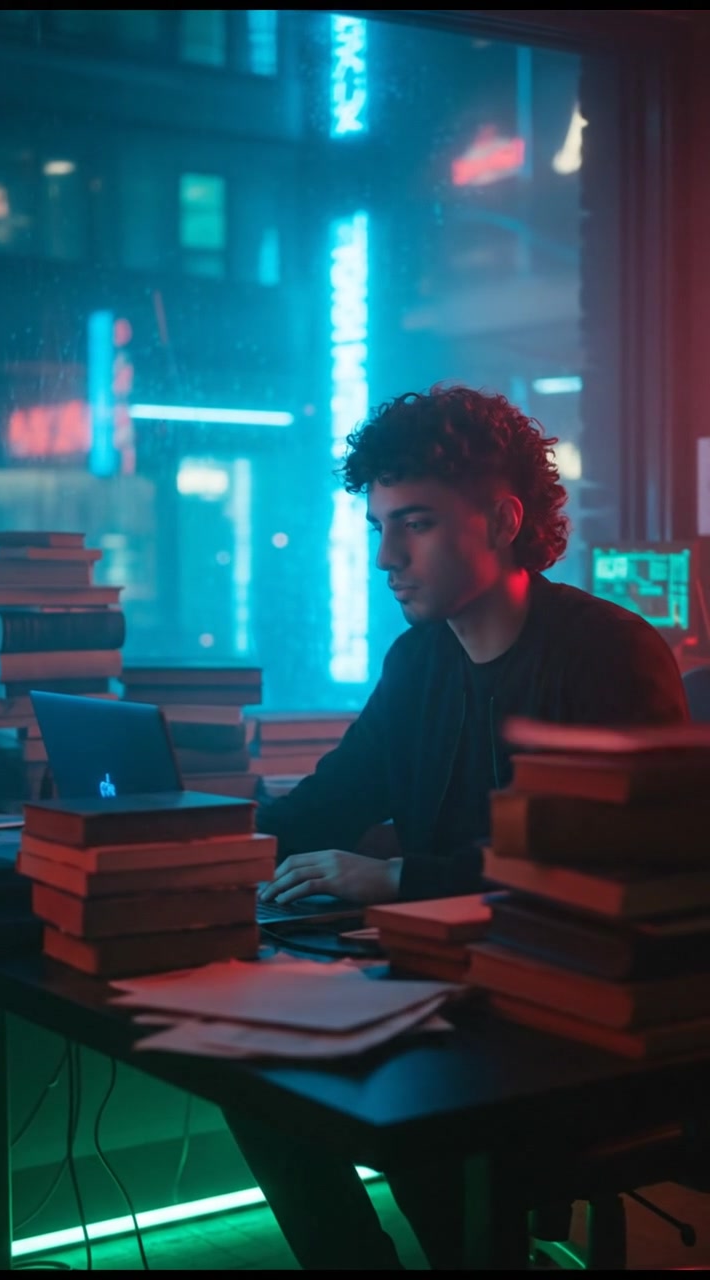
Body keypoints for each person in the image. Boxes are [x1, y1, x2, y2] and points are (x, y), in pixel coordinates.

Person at [225, 384, 689, 1270]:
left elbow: (603, 879)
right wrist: (176, 847)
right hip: (454, 989)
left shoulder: (610, 655)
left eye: (417, 524)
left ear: (503, 520)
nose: (386, 557)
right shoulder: (419, 661)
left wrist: (397, 881)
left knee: (403, 1093)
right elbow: (324, 804)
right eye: (379, 527)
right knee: (250, 1072)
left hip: (576, 1023)